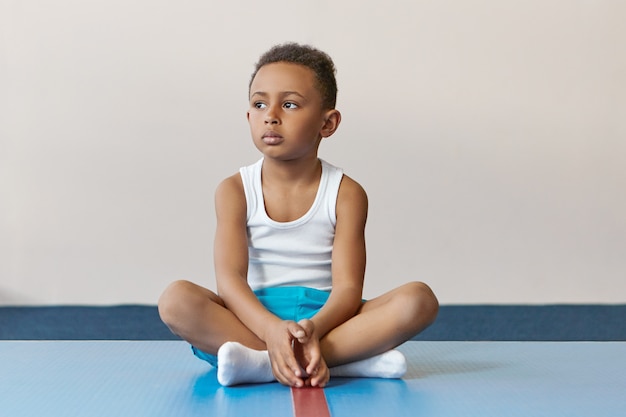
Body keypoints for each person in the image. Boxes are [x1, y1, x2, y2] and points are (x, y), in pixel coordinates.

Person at [158, 42, 438, 388]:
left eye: (289, 104)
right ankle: (336, 359)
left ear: (328, 122)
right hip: (251, 321)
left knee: (419, 300)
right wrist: (271, 329)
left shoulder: (347, 193)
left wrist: (314, 329)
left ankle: (265, 362)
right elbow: (230, 281)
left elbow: (349, 288)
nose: (271, 115)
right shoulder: (233, 190)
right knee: (176, 300)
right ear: (249, 117)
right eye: (259, 104)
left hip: (327, 320)